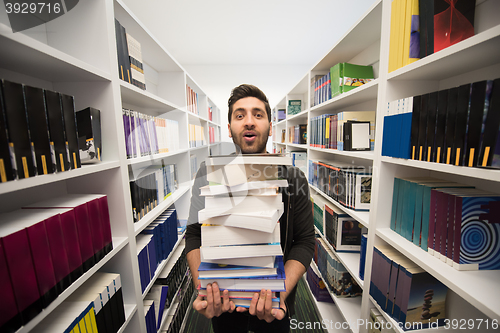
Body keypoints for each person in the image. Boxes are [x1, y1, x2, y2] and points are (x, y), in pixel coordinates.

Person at [185, 84, 315, 333]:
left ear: (269, 125)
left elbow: (305, 241)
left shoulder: (294, 178)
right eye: (239, 115)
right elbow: (193, 235)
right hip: (223, 306)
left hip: (275, 307)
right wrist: (203, 288)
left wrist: (280, 293)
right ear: (230, 129)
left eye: (258, 114)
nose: (249, 122)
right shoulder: (208, 176)